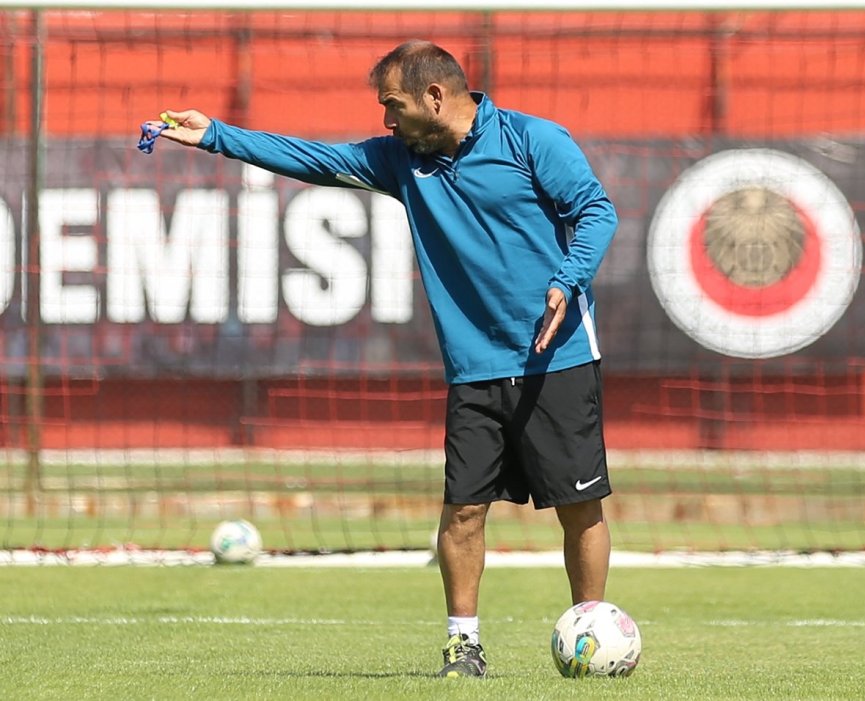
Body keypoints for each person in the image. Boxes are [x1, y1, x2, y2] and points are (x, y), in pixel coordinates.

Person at [148, 39, 617, 678]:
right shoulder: (401, 162)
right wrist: (216, 136)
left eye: (391, 105)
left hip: (556, 359)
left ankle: (593, 627)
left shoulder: (535, 140)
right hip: (474, 368)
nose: (385, 122)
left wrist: (569, 277)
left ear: (435, 95)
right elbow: (311, 158)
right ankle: (463, 645)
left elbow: (595, 210)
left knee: (579, 506)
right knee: (462, 510)